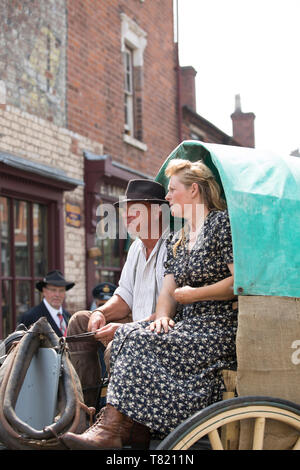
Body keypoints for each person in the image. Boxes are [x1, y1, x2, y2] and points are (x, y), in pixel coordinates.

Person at [61, 159, 238, 450]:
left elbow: (237, 283)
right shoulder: (180, 239)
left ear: (193, 190)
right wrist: (160, 316)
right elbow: (166, 291)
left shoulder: (218, 224)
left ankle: (115, 429)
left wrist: (190, 297)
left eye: (172, 190)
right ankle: (95, 420)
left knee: (127, 336)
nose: (169, 197)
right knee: (92, 324)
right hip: (183, 324)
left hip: (213, 327)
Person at [66, 179, 170, 412]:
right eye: (125, 210)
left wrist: (126, 329)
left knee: (118, 344)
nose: (126, 216)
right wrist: (100, 311)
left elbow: (171, 311)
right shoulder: (135, 248)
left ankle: (117, 422)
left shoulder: (172, 246)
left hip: (162, 333)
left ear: (155, 212)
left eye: (134, 210)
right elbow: (124, 297)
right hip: (138, 327)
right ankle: (84, 410)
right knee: (81, 322)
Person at [18, 270, 75, 338]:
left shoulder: (68, 316)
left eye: (61, 290)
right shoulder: (31, 317)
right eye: (53, 290)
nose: (57, 294)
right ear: (44, 291)